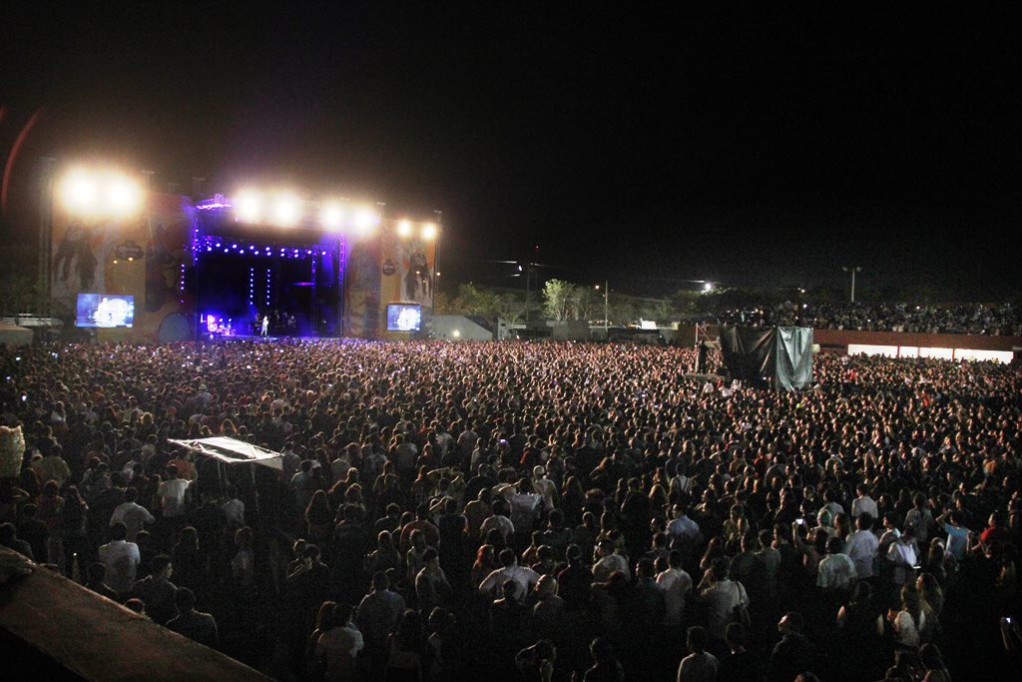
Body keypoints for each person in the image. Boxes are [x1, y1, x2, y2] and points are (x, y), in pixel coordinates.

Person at [97, 522, 141, 597]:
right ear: (126, 533)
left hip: (109, 588)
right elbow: (138, 562)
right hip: (128, 588)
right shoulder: (133, 547)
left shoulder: (102, 549)